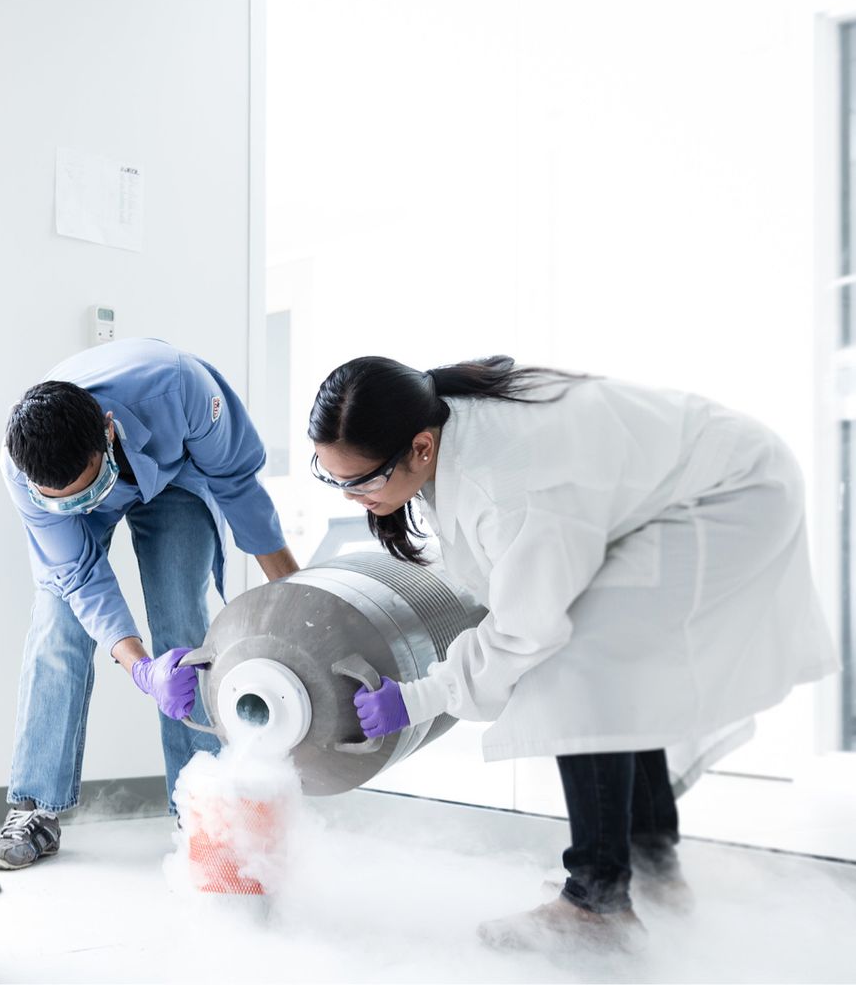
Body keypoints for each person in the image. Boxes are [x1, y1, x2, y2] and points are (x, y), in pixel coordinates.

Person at [309, 356, 835, 951]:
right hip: (690, 490)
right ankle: (650, 868)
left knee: (579, 662)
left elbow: (525, 630)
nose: (351, 497)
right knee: (608, 671)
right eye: (332, 478)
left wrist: (422, 697)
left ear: (422, 448)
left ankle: (598, 902)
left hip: (728, 499)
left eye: (362, 481)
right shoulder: (442, 426)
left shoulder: (509, 486)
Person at [0, 337, 299, 870]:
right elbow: (79, 576)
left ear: (107, 430)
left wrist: (295, 595)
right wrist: (141, 670)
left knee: (182, 623)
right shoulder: (24, 472)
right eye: (63, 497)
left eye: (85, 488)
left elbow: (238, 486)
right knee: (57, 626)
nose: (85, 502)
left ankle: (201, 807)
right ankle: (35, 807)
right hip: (71, 508)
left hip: (179, 476)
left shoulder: (182, 389)